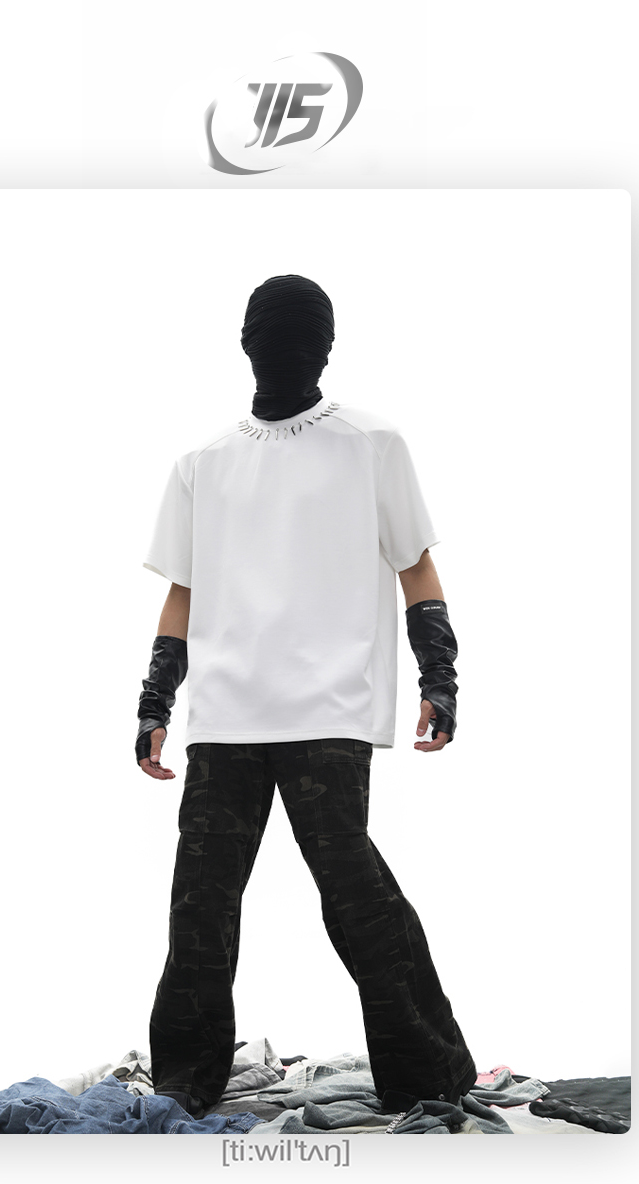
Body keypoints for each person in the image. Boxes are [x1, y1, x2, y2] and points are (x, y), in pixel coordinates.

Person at [135, 273, 477, 1121]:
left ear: (326, 347)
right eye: (270, 336)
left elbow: (416, 566)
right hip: (226, 711)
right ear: (244, 344)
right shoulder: (203, 462)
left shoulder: (373, 443)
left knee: (354, 893)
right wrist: (155, 701)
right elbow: (183, 591)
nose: (282, 351)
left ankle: (428, 1069)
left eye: (298, 337)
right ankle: (185, 1076)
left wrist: (440, 675)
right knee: (200, 902)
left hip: (329, 705)